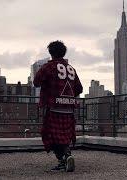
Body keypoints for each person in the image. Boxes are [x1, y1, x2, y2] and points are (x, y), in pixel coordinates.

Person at [33, 41, 83, 172]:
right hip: (69, 109)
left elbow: (36, 82)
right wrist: (67, 96)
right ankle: (66, 157)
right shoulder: (71, 68)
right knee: (65, 135)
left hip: (54, 107)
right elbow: (79, 88)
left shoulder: (48, 67)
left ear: (51, 52)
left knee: (50, 135)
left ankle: (64, 158)